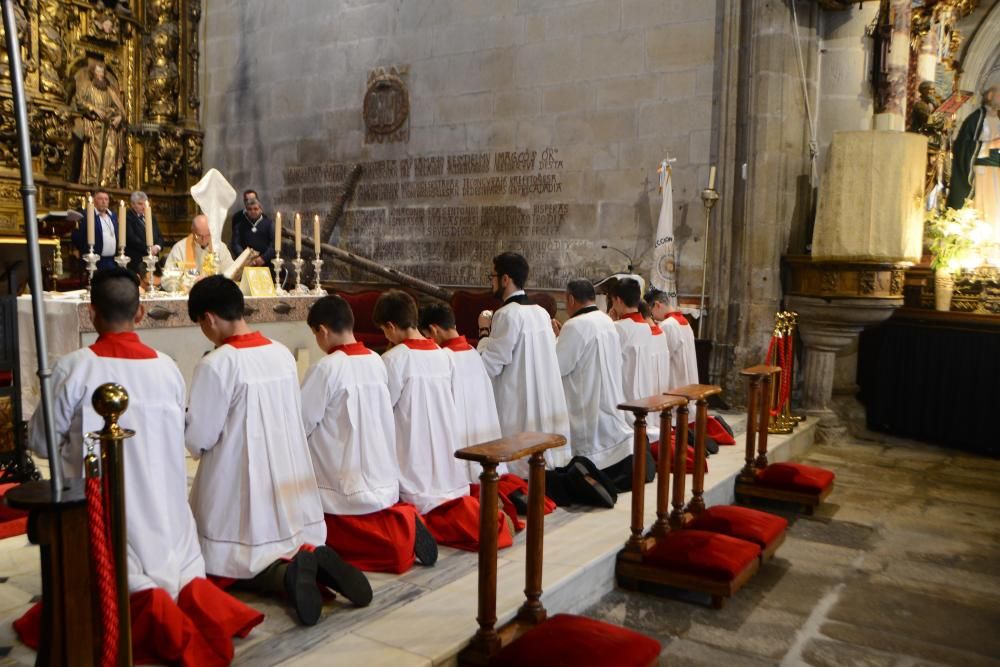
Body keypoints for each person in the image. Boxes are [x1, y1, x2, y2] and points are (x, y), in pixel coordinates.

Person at [17, 268, 263, 665]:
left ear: (92, 313)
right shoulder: (166, 367)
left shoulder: (73, 368)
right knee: (176, 570)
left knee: (114, 574)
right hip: (170, 520)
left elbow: (43, 444)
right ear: (140, 312)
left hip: (104, 516)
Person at [185, 276, 371, 625]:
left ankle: (283, 577)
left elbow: (200, 436)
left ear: (208, 319)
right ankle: (313, 557)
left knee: (219, 559)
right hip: (289, 486)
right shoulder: (280, 352)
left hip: (241, 480)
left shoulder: (217, 363)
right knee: (286, 539)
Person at [301, 295, 437, 573]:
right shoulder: (377, 360)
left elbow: (300, 424)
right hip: (383, 479)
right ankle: (405, 520)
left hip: (343, 486)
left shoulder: (326, 368)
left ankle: (402, 531)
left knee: (307, 528)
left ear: (322, 330)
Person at [375, 290, 512, 551]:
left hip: (413, 450)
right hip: (448, 452)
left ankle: (417, 527)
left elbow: (383, 410)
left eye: (384, 331)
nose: (385, 337)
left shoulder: (393, 359)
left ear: (391, 326)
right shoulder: (442, 354)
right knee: (444, 493)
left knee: (415, 497)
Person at [476, 252, 572, 477]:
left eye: (493, 276)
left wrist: (483, 332)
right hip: (542, 398)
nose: (492, 281)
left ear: (505, 279)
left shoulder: (506, 315)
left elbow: (491, 365)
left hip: (517, 400)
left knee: (517, 459)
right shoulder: (540, 312)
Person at [556, 279, 638, 493]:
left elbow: (559, 366)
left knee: (589, 447)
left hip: (587, 400)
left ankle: (590, 479)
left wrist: (554, 338)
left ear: (571, 299)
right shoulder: (606, 320)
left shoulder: (574, 325)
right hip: (607, 395)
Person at [419, 301, 503, 484]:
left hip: (460, 450)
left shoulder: (442, 358)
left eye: (427, 337)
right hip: (484, 437)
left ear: (434, 330)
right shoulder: (473, 352)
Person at [948, 84, 1000, 242]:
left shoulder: (998, 119)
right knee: (981, 210)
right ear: (990, 96)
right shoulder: (976, 118)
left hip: (997, 174)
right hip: (980, 173)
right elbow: (962, 146)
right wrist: (991, 145)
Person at [608, 277, 670, 402]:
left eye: (612, 301)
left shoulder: (618, 327)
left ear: (618, 300)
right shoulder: (645, 327)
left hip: (626, 396)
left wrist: (611, 322)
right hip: (644, 394)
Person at [165, 213, 235, 275]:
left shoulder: (220, 247)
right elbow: (168, 276)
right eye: (199, 236)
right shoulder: (179, 248)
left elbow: (230, 272)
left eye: (208, 235)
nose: (204, 239)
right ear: (192, 231)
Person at [70, 189, 118, 270]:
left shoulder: (112, 216)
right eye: (100, 199)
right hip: (95, 260)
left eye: (106, 199)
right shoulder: (86, 215)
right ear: (94, 200)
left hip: (112, 260)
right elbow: (77, 236)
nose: (104, 201)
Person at [123, 191, 165, 274]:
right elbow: (131, 238)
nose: (143, 207)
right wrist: (149, 249)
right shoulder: (127, 217)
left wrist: (157, 247)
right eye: (140, 204)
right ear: (132, 204)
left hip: (153, 260)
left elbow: (159, 236)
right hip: (137, 261)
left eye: (144, 204)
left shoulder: (150, 216)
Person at [230, 195, 275, 267]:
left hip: (265, 262)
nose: (253, 211)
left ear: (261, 210)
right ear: (246, 211)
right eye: (250, 209)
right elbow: (235, 244)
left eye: (255, 209)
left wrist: (263, 258)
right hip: (245, 263)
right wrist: (245, 258)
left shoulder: (269, 224)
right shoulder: (240, 225)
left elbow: (274, 244)